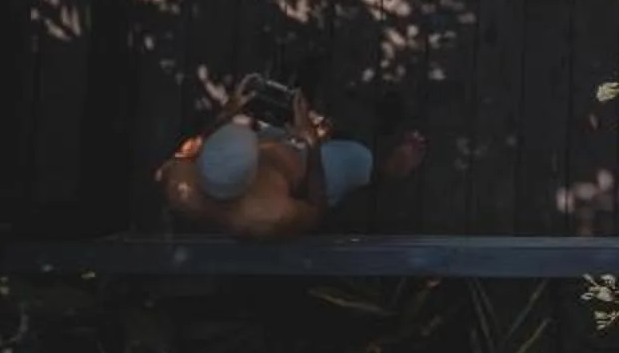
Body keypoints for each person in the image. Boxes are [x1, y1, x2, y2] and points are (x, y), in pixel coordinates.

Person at [153, 79, 425, 239]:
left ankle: (316, 129)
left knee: (260, 114)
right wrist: (312, 145)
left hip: (276, 151)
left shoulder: (177, 182)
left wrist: (225, 115)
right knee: (358, 158)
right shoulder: (269, 215)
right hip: (305, 173)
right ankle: (387, 173)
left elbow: (192, 149)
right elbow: (316, 210)